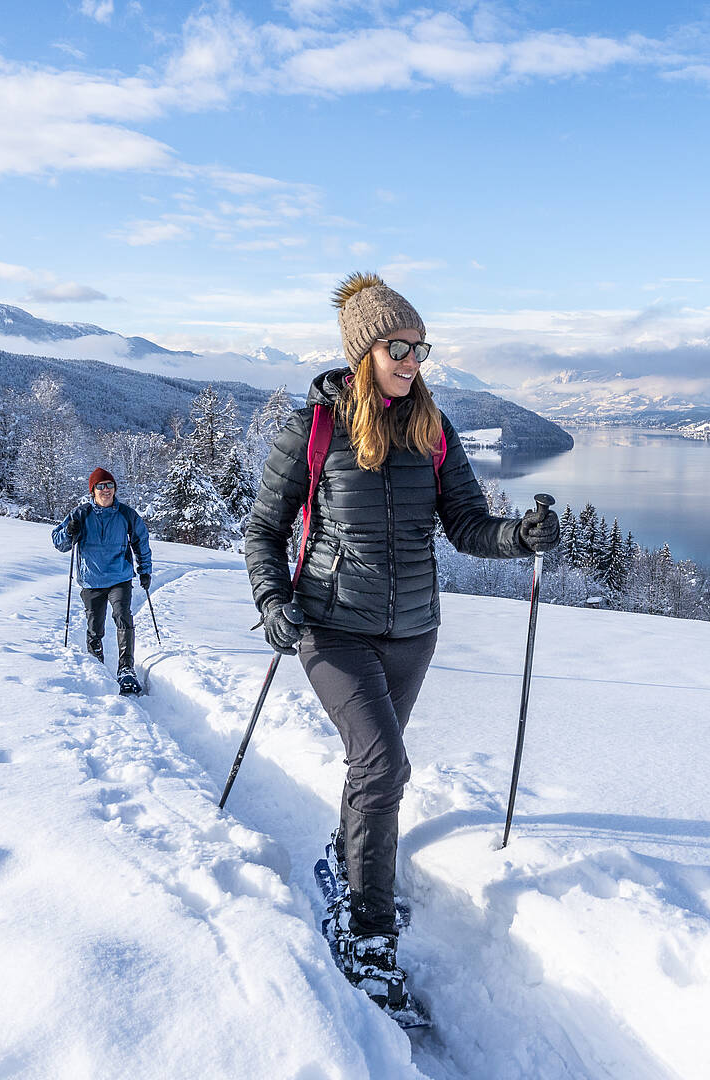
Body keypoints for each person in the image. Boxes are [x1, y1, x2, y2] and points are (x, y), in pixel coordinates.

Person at [243, 272, 559, 1010]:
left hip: (414, 632)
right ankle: (369, 927)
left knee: (372, 772)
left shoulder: (434, 430)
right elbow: (263, 529)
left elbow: (469, 526)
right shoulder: (312, 430)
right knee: (384, 765)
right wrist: (271, 600)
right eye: (399, 345)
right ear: (365, 351)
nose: (413, 358)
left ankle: (350, 852)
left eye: (421, 346)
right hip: (331, 628)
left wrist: (520, 537)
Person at [53, 466, 154, 694]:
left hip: (120, 576)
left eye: (109, 485)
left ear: (114, 488)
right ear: (93, 491)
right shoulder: (81, 514)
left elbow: (141, 542)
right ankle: (96, 664)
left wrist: (145, 570)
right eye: (100, 486)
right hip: (91, 580)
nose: (106, 490)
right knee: (94, 626)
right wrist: (69, 531)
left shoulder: (126, 514)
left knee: (122, 616)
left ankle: (126, 668)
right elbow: (59, 543)